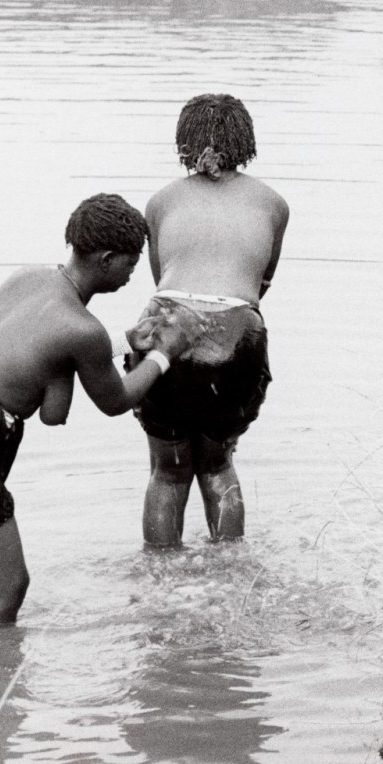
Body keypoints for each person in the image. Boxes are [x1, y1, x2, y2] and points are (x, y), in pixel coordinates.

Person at [0, 194, 198, 626]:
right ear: (106, 259)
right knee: (7, 589)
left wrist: (119, 342)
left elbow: (51, 407)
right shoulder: (83, 330)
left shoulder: (29, 280)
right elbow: (115, 401)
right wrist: (164, 354)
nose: (133, 273)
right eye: (131, 263)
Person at [126, 93, 289, 549]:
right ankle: (229, 577)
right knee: (216, 466)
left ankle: (161, 577)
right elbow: (262, 281)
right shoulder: (274, 203)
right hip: (237, 329)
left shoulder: (160, 201)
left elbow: (162, 281)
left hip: (166, 324)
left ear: (184, 142)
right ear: (246, 140)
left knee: (168, 471)